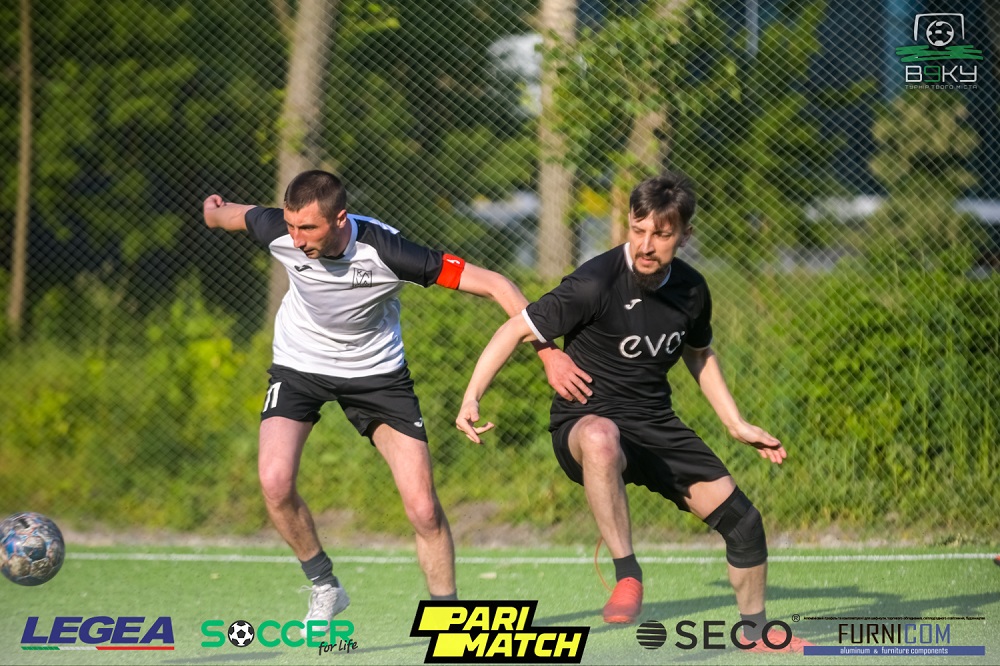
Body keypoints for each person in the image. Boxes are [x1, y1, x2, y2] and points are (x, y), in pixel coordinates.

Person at [202, 170, 586, 634]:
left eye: (308, 228)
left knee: (423, 508)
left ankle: (449, 623)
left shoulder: (388, 251)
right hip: (299, 366)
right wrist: (213, 210)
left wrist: (547, 352)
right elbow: (232, 215)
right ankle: (324, 585)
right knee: (274, 482)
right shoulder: (280, 230)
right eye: (291, 226)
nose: (297, 239)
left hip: (376, 376)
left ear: (339, 219)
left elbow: (497, 285)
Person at [455, 173, 813, 653]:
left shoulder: (691, 289)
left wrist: (735, 422)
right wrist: (472, 397)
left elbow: (699, 353)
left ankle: (755, 633)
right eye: (638, 230)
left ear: (685, 235)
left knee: (744, 523)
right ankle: (628, 574)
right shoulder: (595, 281)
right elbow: (514, 329)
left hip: (655, 424)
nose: (646, 245)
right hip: (585, 422)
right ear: (628, 222)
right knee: (601, 437)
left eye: (661, 235)